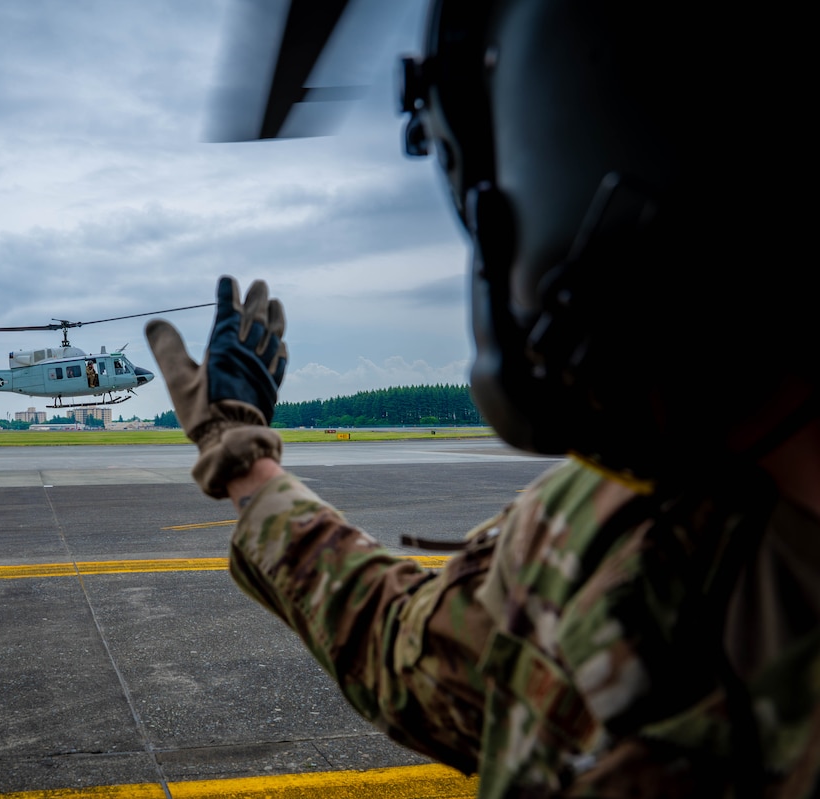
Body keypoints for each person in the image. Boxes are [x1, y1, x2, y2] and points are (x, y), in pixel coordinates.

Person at [145, 0, 818, 795]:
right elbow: (409, 652)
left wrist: (237, 454)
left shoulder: (605, 533)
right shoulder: (607, 524)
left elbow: (403, 657)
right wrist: (244, 461)